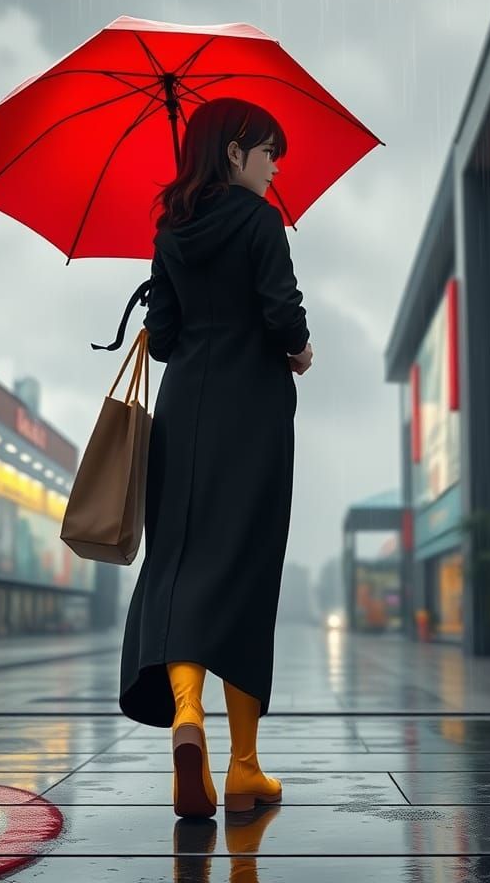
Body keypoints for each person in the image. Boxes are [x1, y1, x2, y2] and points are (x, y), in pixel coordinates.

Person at [118, 96, 313, 818]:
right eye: (268, 154)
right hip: (254, 417)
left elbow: (162, 339)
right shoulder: (262, 222)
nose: (274, 169)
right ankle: (244, 769)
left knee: (179, 567)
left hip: (184, 415)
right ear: (234, 154)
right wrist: (300, 350)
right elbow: (281, 312)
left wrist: (173, 282)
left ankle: (186, 717)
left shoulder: (171, 229)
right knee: (245, 574)